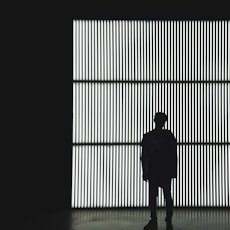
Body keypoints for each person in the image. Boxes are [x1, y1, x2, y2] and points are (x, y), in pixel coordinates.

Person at [140, 112, 177, 230]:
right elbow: (173, 155)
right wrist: (173, 170)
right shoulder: (169, 136)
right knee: (166, 193)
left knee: (154, 194)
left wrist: (145, 170)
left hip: (154, 169)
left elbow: (144, 156)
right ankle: (168, 215)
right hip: (164, 169)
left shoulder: (148, 136)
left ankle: (154, 217)